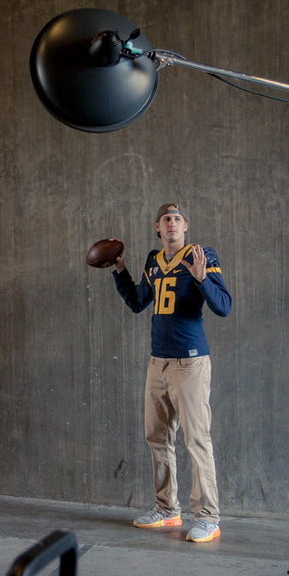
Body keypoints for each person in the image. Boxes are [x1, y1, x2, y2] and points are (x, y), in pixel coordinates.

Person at [112, 203, 231, 543]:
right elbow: (138, 302)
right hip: (158, 361)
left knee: (197, 440)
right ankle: (167, 510)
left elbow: (224, 307)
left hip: (190, 363)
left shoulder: (201, 255)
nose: (173, 223)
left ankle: (208, 517)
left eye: (178, 218)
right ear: (158, 229)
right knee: (158, 438)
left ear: (186, 226)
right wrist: (120, 269)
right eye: (167, 219)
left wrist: (202, 278)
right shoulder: (154, 260)